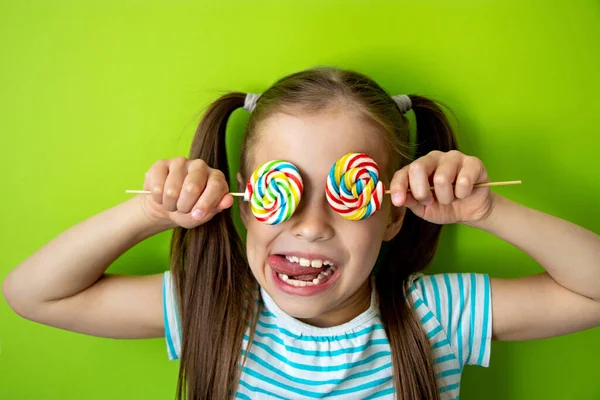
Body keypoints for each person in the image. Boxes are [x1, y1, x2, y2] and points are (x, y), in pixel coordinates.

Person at [3, 67, 599, 400]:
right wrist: (155, 212)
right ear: (243, 201)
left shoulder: (434, 317)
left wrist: (488, 213)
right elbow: (32, 293)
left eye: (349, 194)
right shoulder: (214, 311)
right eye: (279, 192)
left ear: (394, 213)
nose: (310, 225)